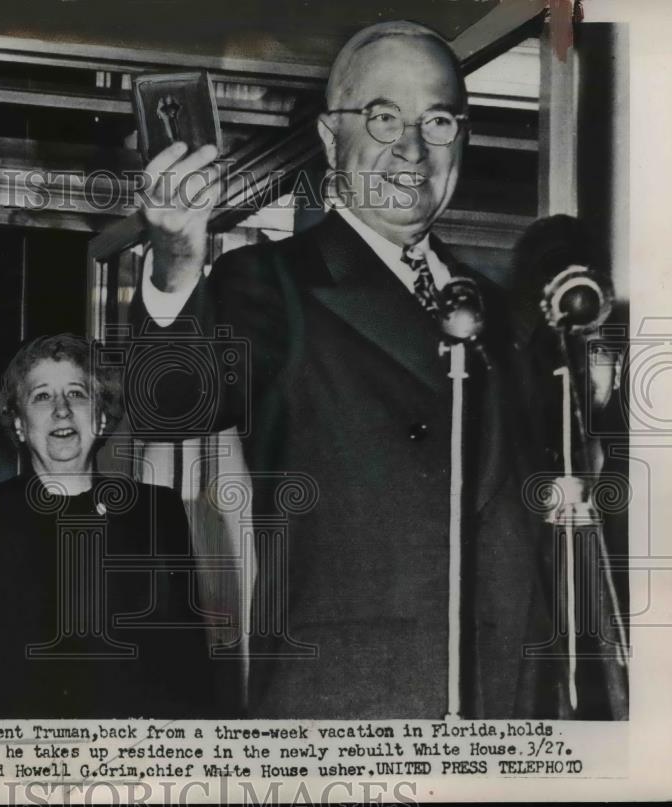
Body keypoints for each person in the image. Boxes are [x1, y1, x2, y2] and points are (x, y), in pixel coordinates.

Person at [130, 21, 566, 718]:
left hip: (507, 706)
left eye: (440, 120)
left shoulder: (502, 312)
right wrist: (177, 264)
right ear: (332, 141)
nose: (413, 148)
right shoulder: (272, 282)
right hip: (355, 707)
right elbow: (172, 400)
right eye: (384, 117)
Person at [0, 333, 218, 718]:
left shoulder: (158, 514)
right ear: (19, 424)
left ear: (101, 416)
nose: (61, 410)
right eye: (41, 396)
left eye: (76, 394)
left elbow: (189, 667)